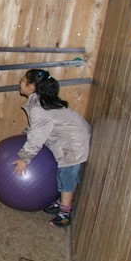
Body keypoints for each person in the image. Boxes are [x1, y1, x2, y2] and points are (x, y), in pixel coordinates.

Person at [13, 69, 91, 227]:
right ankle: (61, 201)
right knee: (67, 175)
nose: (20, 83)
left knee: (66, 176)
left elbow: (37, 136)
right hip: (72, 137)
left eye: (23, 80)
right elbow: (43, 127)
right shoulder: (40, 101)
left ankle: (64, 213)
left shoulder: (38, 109)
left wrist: (24, 159)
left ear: (31, 87)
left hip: (73, 142)